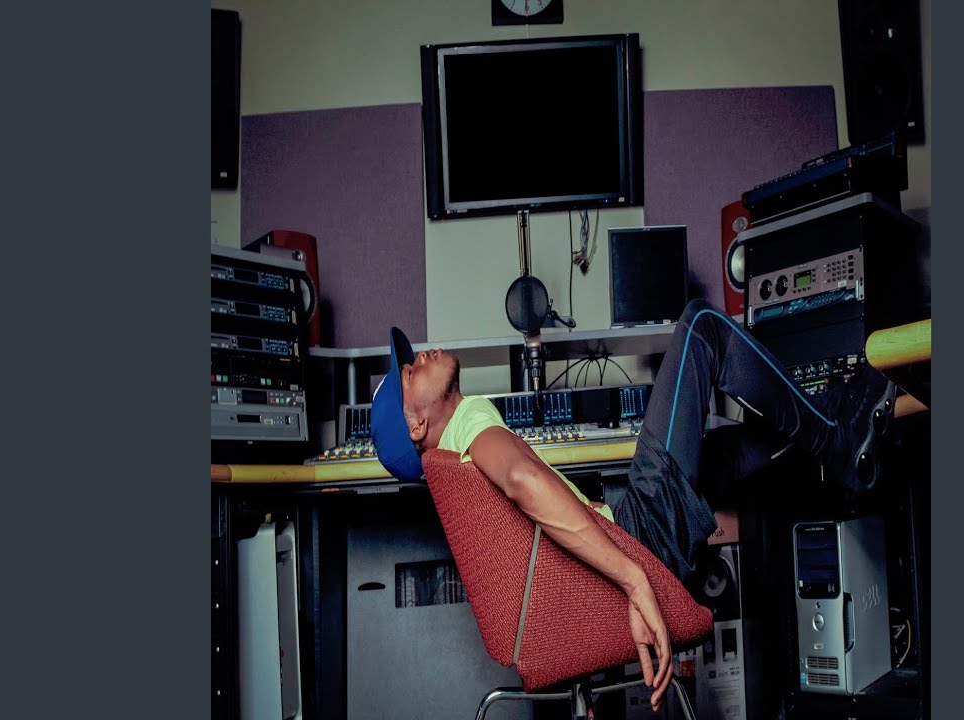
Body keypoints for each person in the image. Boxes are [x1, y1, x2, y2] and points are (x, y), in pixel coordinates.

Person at [369, 298, 896, 712]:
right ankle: (840, 440)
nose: (421, 357)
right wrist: (633, 579)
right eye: (410, 373)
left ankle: (839, 421)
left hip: (628, 529)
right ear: (416, 425)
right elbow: (522, 479)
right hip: (636, 539)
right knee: (703, 327)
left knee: (722, 456)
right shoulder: (466, 427)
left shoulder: (452, 455)